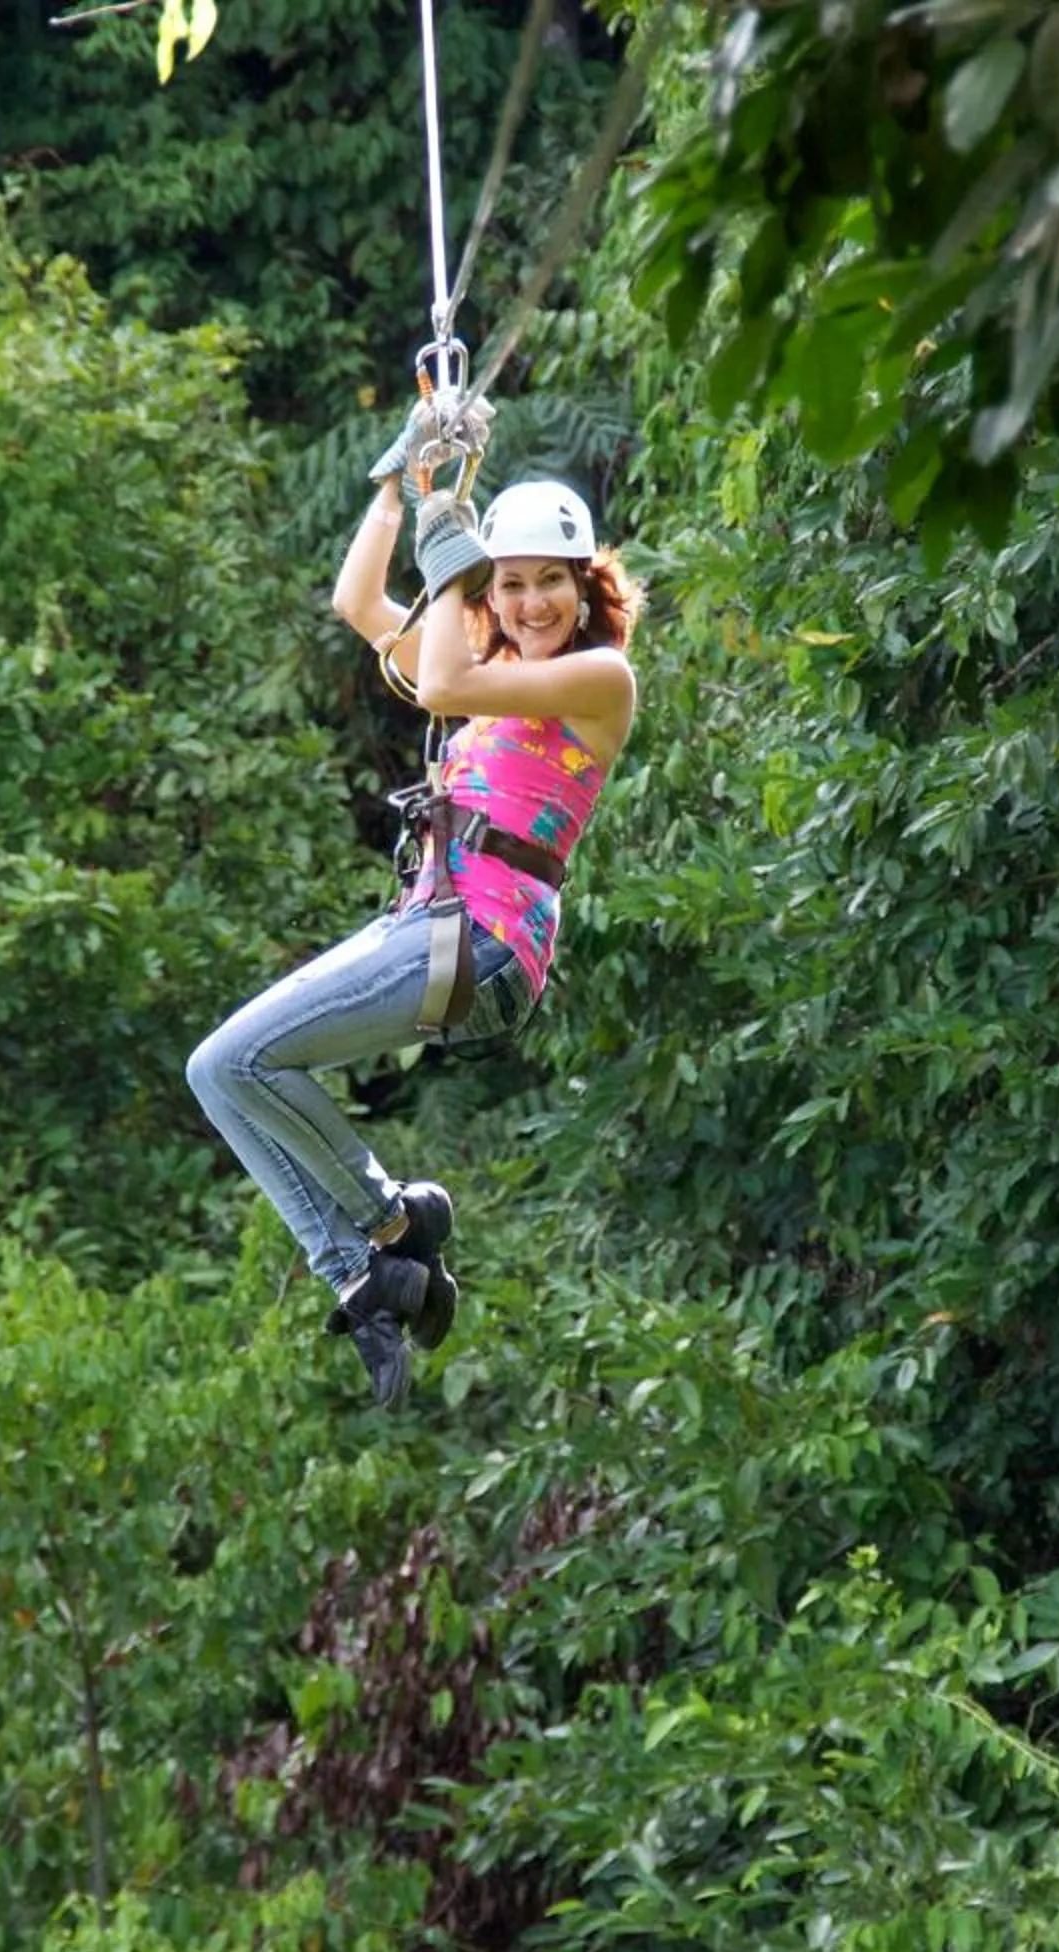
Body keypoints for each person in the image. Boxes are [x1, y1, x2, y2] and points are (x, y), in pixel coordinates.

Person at [184, 398, 642, 1408]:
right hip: (430, 928)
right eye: (512, 584)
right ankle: (365, 1267)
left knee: (237, 1060)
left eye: (548, 584)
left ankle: (395, 1222)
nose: (529, 604)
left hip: (483, 942)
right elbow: (357, 602)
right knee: (220, 1070)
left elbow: (439, 684)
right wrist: (401, 486)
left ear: (584, 589)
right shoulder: (482, 668)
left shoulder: (598, 680)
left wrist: (455, 535)